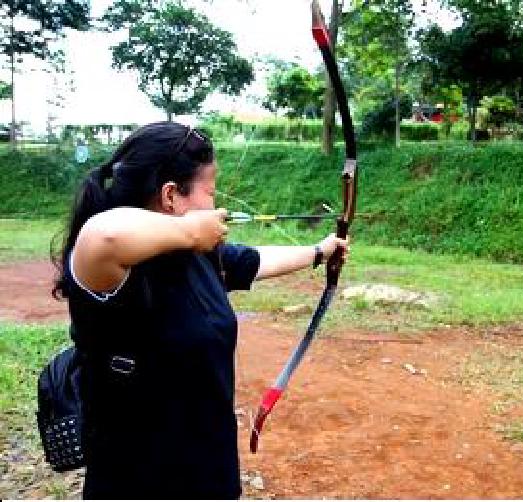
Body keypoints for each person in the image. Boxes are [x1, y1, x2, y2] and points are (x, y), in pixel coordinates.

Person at [51, 121, 349, 499]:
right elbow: (104, 234)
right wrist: (190, 231)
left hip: (208, 475)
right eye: (210, 191)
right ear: (171, 195)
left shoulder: (197, 256)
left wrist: (320, 252)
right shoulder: (105, 266)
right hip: (137, 483)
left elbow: (255, 261)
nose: (217, 204)